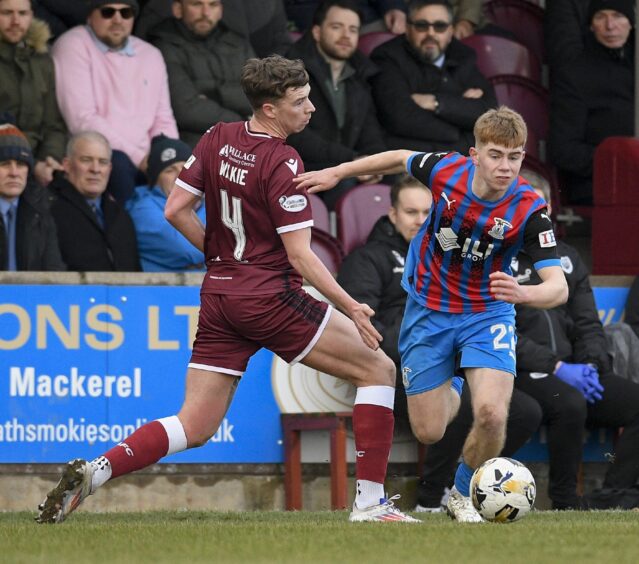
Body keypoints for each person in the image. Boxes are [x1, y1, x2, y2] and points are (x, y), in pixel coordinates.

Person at [36, 55, 418, 525]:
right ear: (270, 109)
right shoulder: (283, 160)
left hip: (220, 296)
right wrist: (352, 306)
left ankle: (98, 470)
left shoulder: (217, 137)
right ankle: (370, 505)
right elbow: (300, 256)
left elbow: (175, 209)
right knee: (378, 368)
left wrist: (221, 259)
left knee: (194, 424)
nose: (311, 109)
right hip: (270, 297)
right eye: (300, 101)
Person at [296, 105, 568, 522]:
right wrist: (339, 172)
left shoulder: (530, 209)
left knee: (494, 415)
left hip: (487, 314)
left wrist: (522, 292)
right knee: (430, 431)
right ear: (474, 154)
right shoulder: (447, 171)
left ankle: (461, 493)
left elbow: (558, 287)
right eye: (495, 154)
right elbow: (396, 157)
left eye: (514, 157)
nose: (505, 166)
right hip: (428, 309)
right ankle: (454, 381)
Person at [336, 173, 543, 512]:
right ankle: (432, 497)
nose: (420, 220)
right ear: (393, 215)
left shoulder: (460, 260)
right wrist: (423, 351)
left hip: (455, 360)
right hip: (395, 367)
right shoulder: (369, 259)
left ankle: (465, 489)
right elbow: (362, 325)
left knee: (521, 411)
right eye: (410, 212)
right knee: (451, 417)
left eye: (425, 212)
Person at [512, 178, 639, 510]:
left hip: (575, 368)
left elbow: (587, 322)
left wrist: (592, 366)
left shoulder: (566, 258)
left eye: (539, 206)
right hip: (520, 372)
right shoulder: (495, 260)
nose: (532, 213)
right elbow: (498, 334)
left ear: (549, 210)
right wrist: (554, 366)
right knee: (568, 401)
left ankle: (611, 498)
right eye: (522, 205)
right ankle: (564, 501)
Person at [51, 0, 178, 203]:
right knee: (117, 163)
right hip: (103, 152)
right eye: (108, 12)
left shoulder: (150, 54)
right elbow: (83, 120)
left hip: (147, 157)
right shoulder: (72, 44)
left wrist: (169, 157)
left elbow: (163, 117)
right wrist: (141, 158)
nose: (117, 19)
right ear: (90, 15)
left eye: (126, 13)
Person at [285, 0, 386, 209]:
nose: (346, 35)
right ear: (316, 32)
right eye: (336, 27)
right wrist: (354, 163)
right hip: (300, 166)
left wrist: (375, 164)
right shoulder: (291, 69)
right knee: (345, 184)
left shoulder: (361, 74)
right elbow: (295, 135)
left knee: (396, 182)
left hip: (344, 165)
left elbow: (370, 130)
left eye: (353, 29)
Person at [369, 0, 497, 154]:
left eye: (440, 26)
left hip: (463, 162)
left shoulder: (463, 56)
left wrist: (436, 103)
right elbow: (400, 118)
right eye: (422, 25)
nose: (431, 33)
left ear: (450, 32)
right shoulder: (386, 57)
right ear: (408, 29)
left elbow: (489, 114)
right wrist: (461, 123)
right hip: (413, 165)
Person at [548, 0, 634, 205]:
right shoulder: (575, 73)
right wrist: (618, 161)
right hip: (602, 183)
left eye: (618, 16)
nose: (610, 25)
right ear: (591, 24)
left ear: (631, 22)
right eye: (601, 17)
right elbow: (564, 150)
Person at [147, 0, 255, 148]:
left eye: (213, 5)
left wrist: (217, 95)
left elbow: (263, 94)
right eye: (196, 4)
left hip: (248, 136)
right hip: (195, 140)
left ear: (220, 10)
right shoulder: (164, 45)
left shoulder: (238, 43)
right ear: (178, 9)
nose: (205, 13)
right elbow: (185, 109)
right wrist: (241, 124)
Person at [47, 131, 141, 272]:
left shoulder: (121, 216)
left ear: (109, 169)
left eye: (102, 162)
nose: (95, 169)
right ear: (66, 164)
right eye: (86, 160)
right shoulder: (47, 208)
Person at [0, 0, 67, 186]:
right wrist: (23, 160)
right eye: (6, 13)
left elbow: (54, 125)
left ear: (31, 16)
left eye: (22, 14)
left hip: (37, 164)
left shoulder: (42, 60)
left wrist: (49, 159)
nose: (15, 21)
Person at [126, 133, 206, 271]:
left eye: (185, 168)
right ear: (155, 181)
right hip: (162, 290)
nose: (180, 176)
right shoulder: (143, 209)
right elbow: (188, 250)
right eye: (169, 171)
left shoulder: (211, 203)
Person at [0, 121, 65, 270]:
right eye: (5, 164)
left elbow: (53, 271)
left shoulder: (41, 210)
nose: (14, 173)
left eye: (21, 165)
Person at [135, 0, 293, 57]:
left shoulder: (268, 5)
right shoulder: (163, 7)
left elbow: (282, 45)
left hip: (258, 96)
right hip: (192, 111)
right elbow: (142, 57)